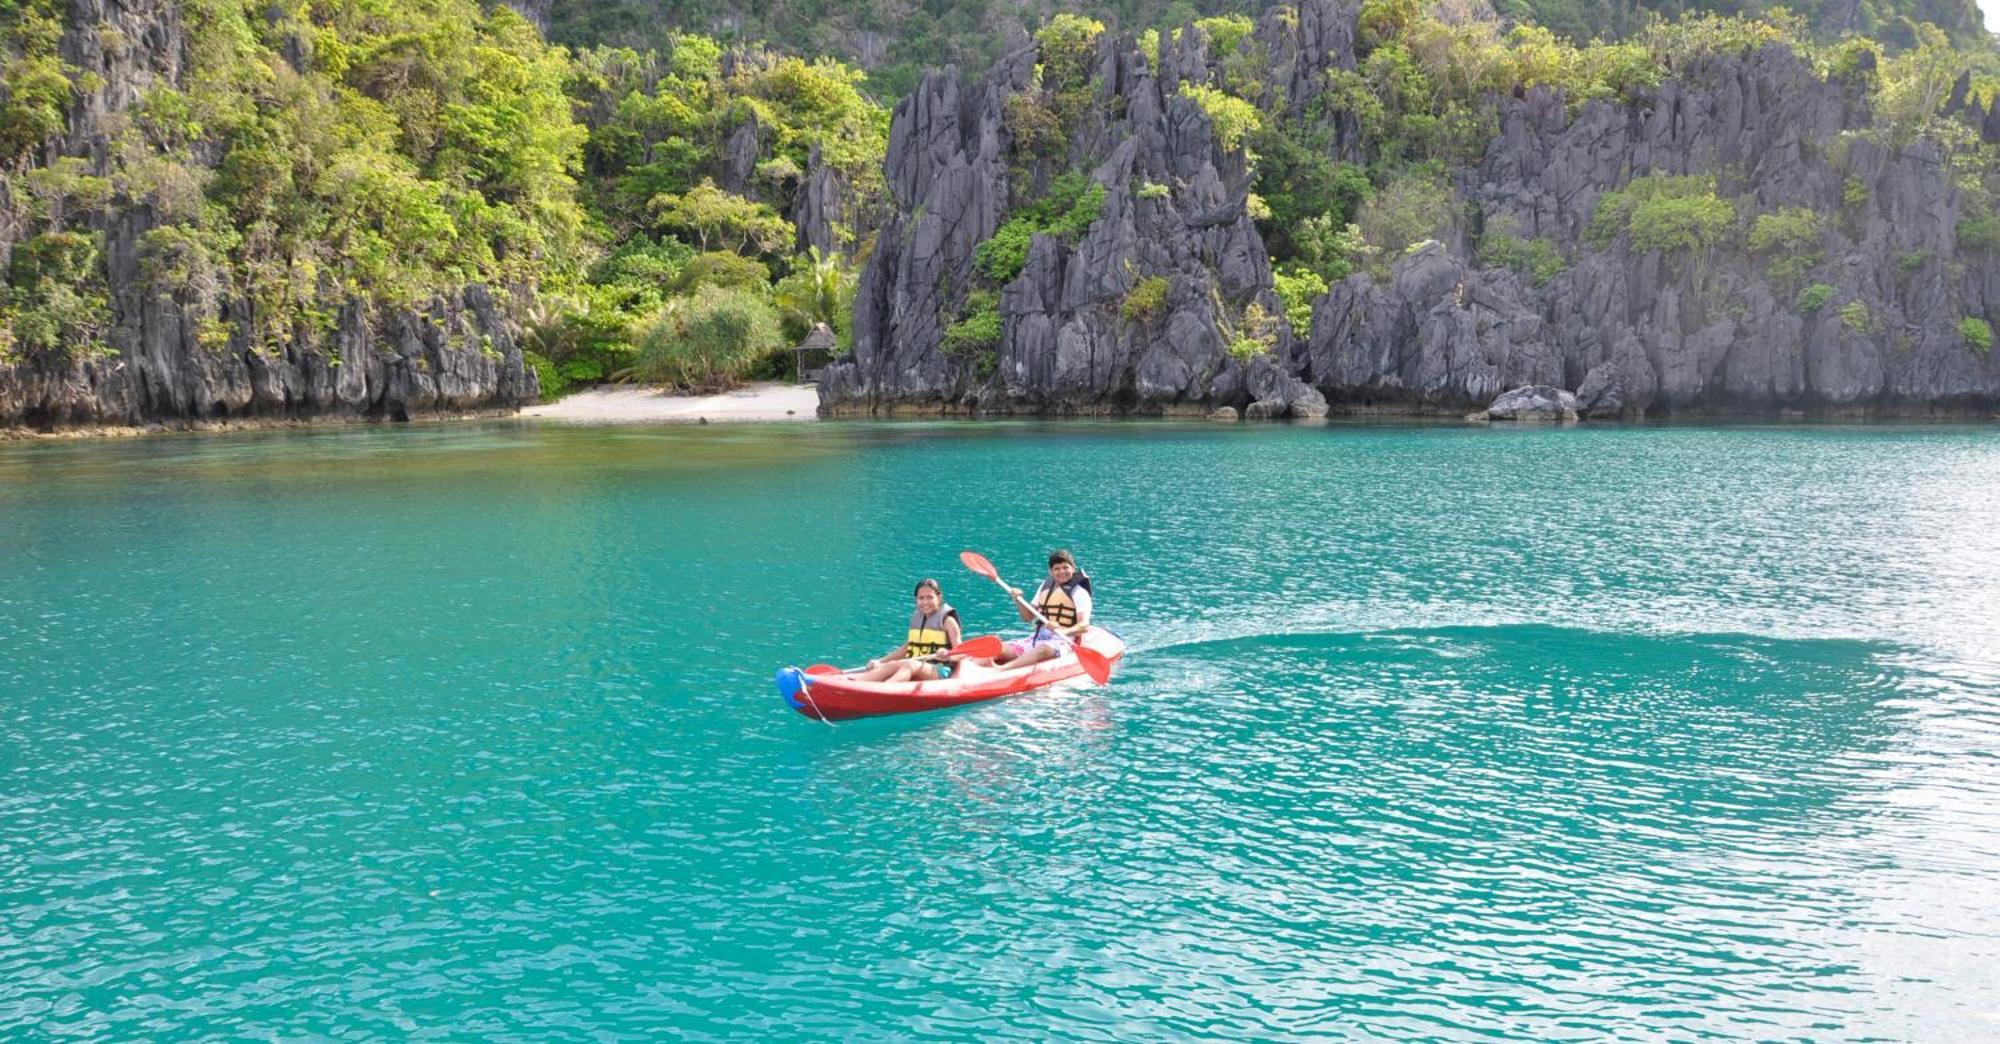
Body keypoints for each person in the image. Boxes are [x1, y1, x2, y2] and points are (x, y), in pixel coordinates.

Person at [992, 549, 1092, 669]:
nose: (1062, 572)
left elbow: (1084, 626)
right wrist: (1018, 600)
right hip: (1038, 638)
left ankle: (1003, 669)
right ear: (1050, 571)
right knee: (998, 649)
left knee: (1043, 649)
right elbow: (1027, 618)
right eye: (1057, 569)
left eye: (1065, 567)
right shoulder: (1045, 587)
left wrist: (1063, 631)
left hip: (1065, 641)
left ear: (1073, 568)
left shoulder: (1079, 592)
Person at [853, 578, 962, 683]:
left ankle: (886, 688)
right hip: (915, 664)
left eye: (930, 597)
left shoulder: (948, 621)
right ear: (916, 600)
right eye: (921, 598)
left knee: (909, 664)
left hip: (939, 669)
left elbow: (961, 655)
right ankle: (856, 683)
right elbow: (907, 648)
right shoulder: (916, 618)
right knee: (893, 664)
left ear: (939, 597)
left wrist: (947, 655)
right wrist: (881, 661)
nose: (925, 602)